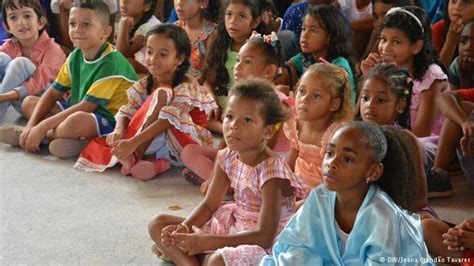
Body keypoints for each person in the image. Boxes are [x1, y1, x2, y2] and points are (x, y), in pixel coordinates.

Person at [148, 78, 303, 265]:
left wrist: (208, 241)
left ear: (268, 132)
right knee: (158, 224)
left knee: (216, 261)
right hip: (234, 224)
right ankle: (192, 261)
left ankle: (199, 256)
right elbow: (209, 205)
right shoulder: (227, 156)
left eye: (247, 120)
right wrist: (184, 228)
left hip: (265, 242)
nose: (234, 126)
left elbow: (265, 237)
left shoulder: (272, 172)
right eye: (229, 116)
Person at [261, 122, 433, 265]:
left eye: (347, 159)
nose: (332, 163)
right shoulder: (319, 198)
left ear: (372, 172)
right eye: (329, 153)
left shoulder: (382, 214)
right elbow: (297, 247)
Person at [74, 24, 217, 181]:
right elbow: (128, 109)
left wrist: (133, 143)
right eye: (149, 52)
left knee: (163, 93)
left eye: (162, 55)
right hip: (157, 142)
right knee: (121, 130)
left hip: (184, 141)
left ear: (179, 59)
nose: (152, 59)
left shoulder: (188, 84)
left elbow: (167, 121)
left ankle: (136, 154)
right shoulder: (145, 83)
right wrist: (119, 130)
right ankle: (158, 164)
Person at [0, 1, 137, 159]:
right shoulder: (75, 55)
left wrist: (42, 126)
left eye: (86, 24)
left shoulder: (111, 63)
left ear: (105, 32)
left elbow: (87, 106)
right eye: (72, 23)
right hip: (79, 108)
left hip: (111, 119)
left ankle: (43, 137)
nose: (77, 30)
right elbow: (53, 93)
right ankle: (46, 136)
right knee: (29, 102)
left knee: (76, 121)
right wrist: (31, 125)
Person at [180, 31, 291, 186]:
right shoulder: (238, 95)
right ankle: (219, 181)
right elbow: (226, 141)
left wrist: (227, 167)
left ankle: (223, 185)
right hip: (239, 153)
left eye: (247, 62)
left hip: (263, 163)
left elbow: (266, 153)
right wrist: (221, 162)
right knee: (189, 151)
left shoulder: (276, 102)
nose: (237, 67)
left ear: (269, 71)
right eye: (238, 60)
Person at [361, 6, 450, 196]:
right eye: (383, 39)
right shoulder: (388, 70)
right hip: (396, 134)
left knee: (409, 146)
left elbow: (421, 130)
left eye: (396, 42)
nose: (386, 47)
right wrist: (370, 77)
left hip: (426, 142)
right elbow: (363, 113)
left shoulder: (431, 75)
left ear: (416, 46)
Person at [285, 63, 352, 199]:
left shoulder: (336, 135)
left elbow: (335, 184)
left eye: (316, 96)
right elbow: (288, 169)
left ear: (334, 104)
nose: (304, 99)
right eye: (302, 91)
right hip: (298, 192)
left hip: (325, 197)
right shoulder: (296, 126)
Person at [202, 0, 265, 134]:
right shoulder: (218, 40)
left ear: (255, 22)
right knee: (199, 113)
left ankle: (229, 130)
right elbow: (208, 81)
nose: (233, 21)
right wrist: (211, 99)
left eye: (241, 16)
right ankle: (228, 131)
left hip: (244, 105)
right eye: (229, 14)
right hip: (219, 106)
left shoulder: (259, 49)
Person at [0, 0, 65, 118]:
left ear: (40, 22)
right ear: (7, 26)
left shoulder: (53, 49)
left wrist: (5, 96)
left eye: (27, 16)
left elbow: (41, 81)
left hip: (46, 103)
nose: (21, 22)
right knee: (1, 58)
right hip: (20, 102)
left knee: (20, 63)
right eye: (13, 18)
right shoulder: (9, 46)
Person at [280, 4, 356, 105]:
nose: (305, 35)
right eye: (303, 29)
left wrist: (293, 93)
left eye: (313, 30)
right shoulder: (306, 57)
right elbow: (287, 68)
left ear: (329, 37)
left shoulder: (340, 64)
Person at [174, 0, 220, 79]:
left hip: (199, 88)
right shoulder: (174, 29)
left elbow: (209, 75)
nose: (179, 2)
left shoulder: (212, 33)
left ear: (204, 3)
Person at [50, 0, 118, 50]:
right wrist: (62, 9)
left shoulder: (108, 2)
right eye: (73, 24)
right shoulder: (58, 3)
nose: (77, 29)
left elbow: (108, 40)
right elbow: (69, 46)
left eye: (86, 24)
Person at [115, 0, 160, 74]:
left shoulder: (150, 26)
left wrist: (124, 24)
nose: (124, 1)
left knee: (125, 62)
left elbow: (120, 56)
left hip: (153, 71)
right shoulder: (127, 19)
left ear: (146, 6)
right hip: (141, 67)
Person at [431, 0, 474, 68]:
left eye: (466, 2)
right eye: (454, 1)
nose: (457, 7)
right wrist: (451, 42)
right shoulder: (437, 30)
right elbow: (437, 74)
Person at [448, 18, 474, 90]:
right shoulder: (456, 65)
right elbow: (452, 97)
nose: (468, 47)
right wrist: (464, 76)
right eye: (463, 41)